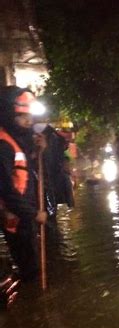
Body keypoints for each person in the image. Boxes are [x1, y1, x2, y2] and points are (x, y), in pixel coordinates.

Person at [0, 86, 47, 281]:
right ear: (11, 117)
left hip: (24, 218)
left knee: (33, 266)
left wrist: (38, 152)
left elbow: (24, 173)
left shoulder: (17, 142)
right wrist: (34, 214)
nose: (29, 121)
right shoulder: (4, 145)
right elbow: (6, 190)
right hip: (16, 219)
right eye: (23, 116)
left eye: (29, 116)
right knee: (31, 271)